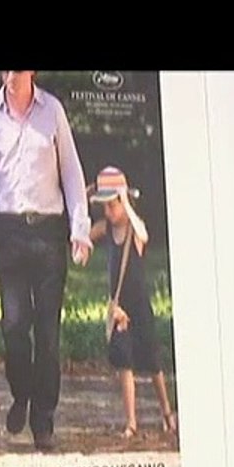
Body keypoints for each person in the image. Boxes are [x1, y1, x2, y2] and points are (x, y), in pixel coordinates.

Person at [0, 71, 92, 451]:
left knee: (48, 335)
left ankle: (43, 418)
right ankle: (21, 393)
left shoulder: (52, 111)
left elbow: (71, 173)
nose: (10, 75)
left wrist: (80, 229)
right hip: (9, 232)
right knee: (14, 326)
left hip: (50, 232)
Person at [88, 167, 177, 439]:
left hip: (140, 305)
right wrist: (87, 196)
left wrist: (125, 201)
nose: (109, 212)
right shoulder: (106, 229)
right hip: (119, 309)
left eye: (112, 205)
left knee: (152, 363)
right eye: (105, 206)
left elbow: (144, 233)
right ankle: (132, 421)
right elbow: (83, 234)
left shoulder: (133, 232)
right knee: (124, 363)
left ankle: (166, 412)